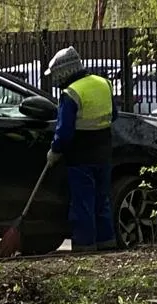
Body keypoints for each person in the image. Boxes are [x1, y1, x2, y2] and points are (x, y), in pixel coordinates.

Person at [45, 47, 117, 252]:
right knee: (102, 200)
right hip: (104, 152)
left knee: (82, 203)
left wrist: (55, 150)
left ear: (63, 72)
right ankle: (106, 242)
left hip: (80, 156)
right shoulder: (104, 83)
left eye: (56, 76)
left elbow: (64, 131)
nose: (55, 80)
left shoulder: (71, 93)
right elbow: (114, 115)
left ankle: (84, 246)